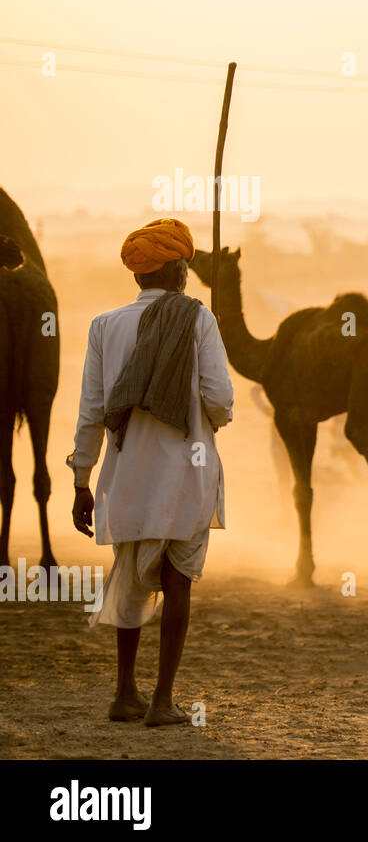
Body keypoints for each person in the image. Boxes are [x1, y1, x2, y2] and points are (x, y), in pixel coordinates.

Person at [67, 218, 234, 727]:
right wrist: (215, 418)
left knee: (130, 576)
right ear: (180, 270)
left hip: (126, 477)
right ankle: (163, 701)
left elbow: (91, 410)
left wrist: (80, 480)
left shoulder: (103, 325)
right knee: (178, 579)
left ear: (139, 273)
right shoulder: (199, 319)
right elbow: (220, 399)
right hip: (187, 472)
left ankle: (124, 694)